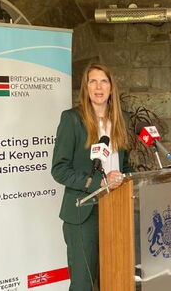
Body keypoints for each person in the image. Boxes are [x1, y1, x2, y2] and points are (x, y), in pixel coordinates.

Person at [51, 63, 132, 290]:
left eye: (104, 81)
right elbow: (59, 169)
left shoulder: (122, 119)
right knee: (83, 283)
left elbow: (125, 164)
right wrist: (98, 182)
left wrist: (127, 177)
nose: (98, 87)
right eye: (92, 81)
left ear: (111, 87)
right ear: (85, 88)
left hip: (116, 208)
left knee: (114, 275)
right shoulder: (72, 119)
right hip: (83, 212)